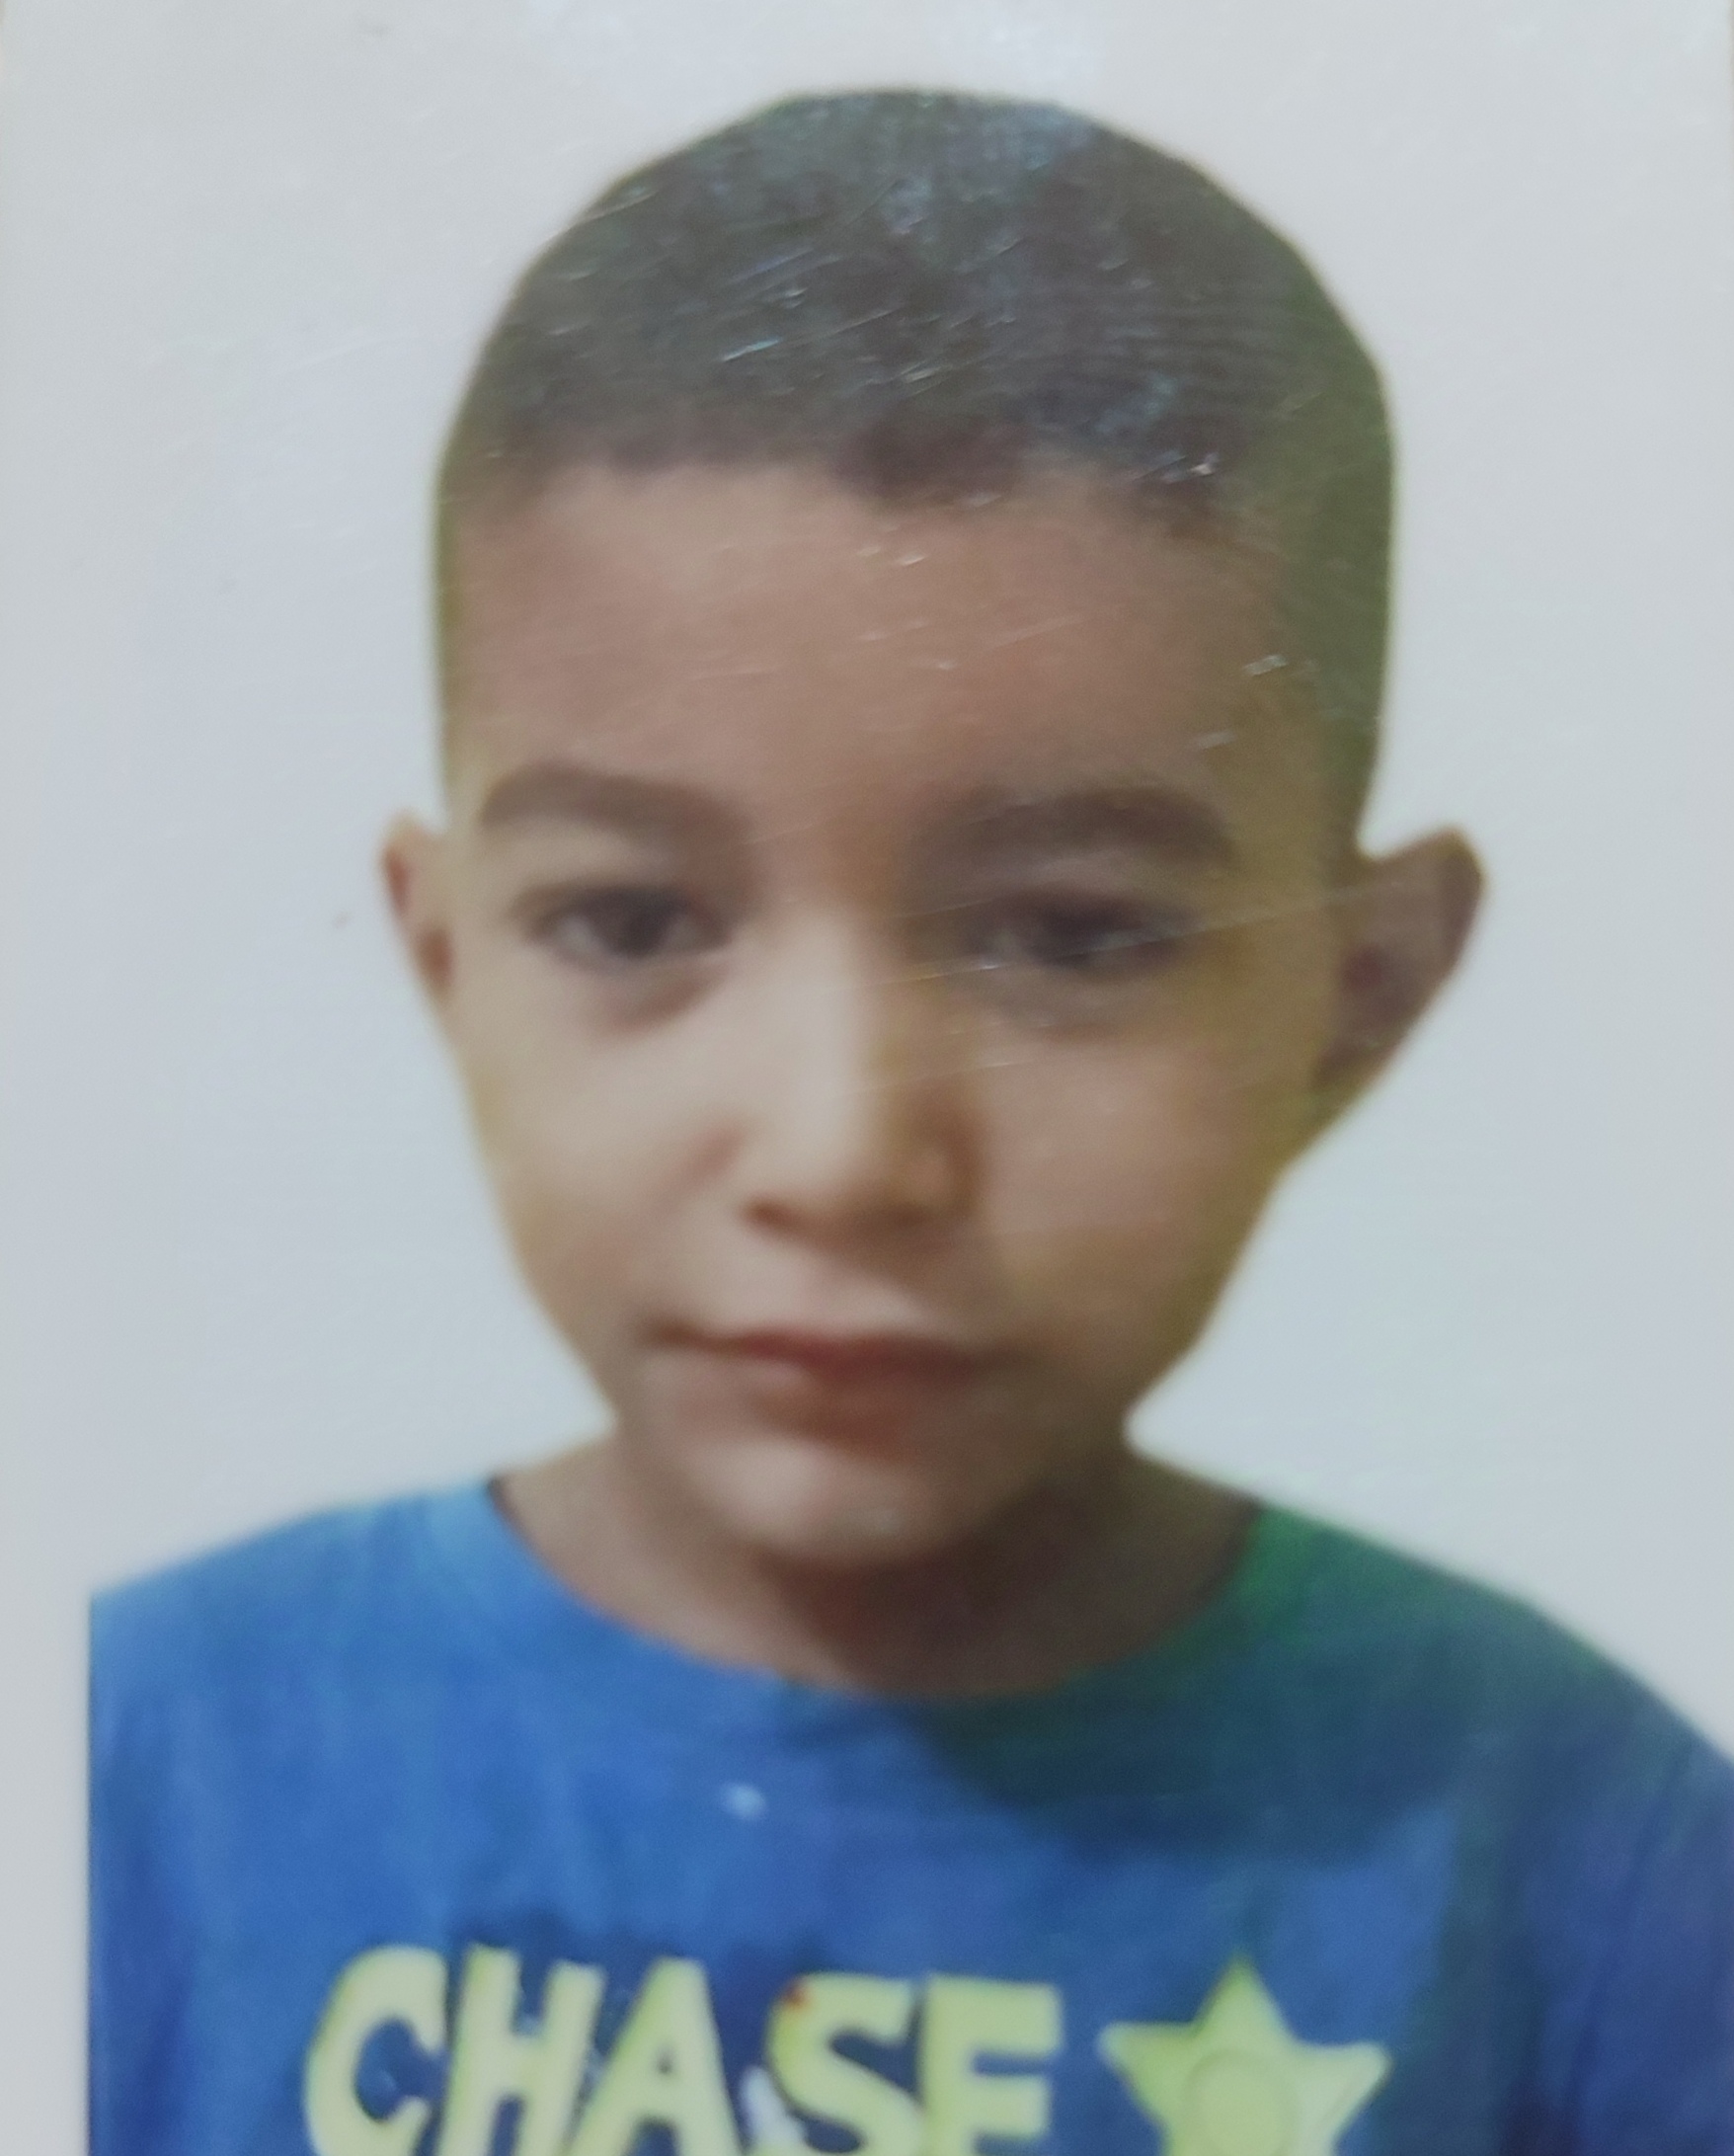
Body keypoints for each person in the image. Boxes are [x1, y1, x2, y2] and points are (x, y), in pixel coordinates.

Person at [91, 89, 1732, 2156]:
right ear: (444, 960)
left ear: (1357, 995)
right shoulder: (132, 1779)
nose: (841, 1158)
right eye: (632, 921)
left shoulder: (1583, 1864)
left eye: (1071, 936)